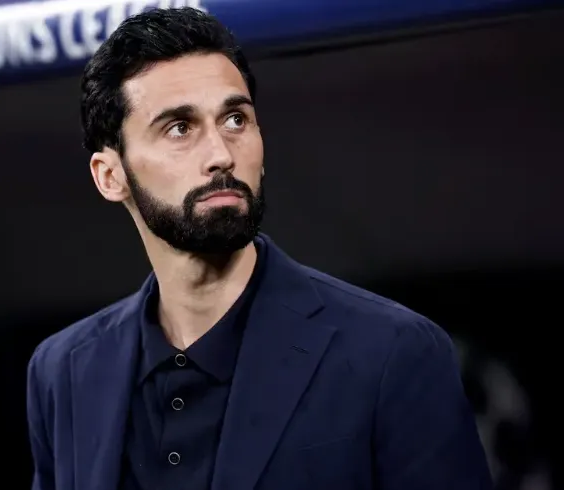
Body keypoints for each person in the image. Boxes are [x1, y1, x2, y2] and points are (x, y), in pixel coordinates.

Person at [26, 7, 492, 490]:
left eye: (235, 120)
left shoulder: (393, 352)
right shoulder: (62, 372)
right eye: (179, 128)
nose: (221, 154)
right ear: (110, 175)